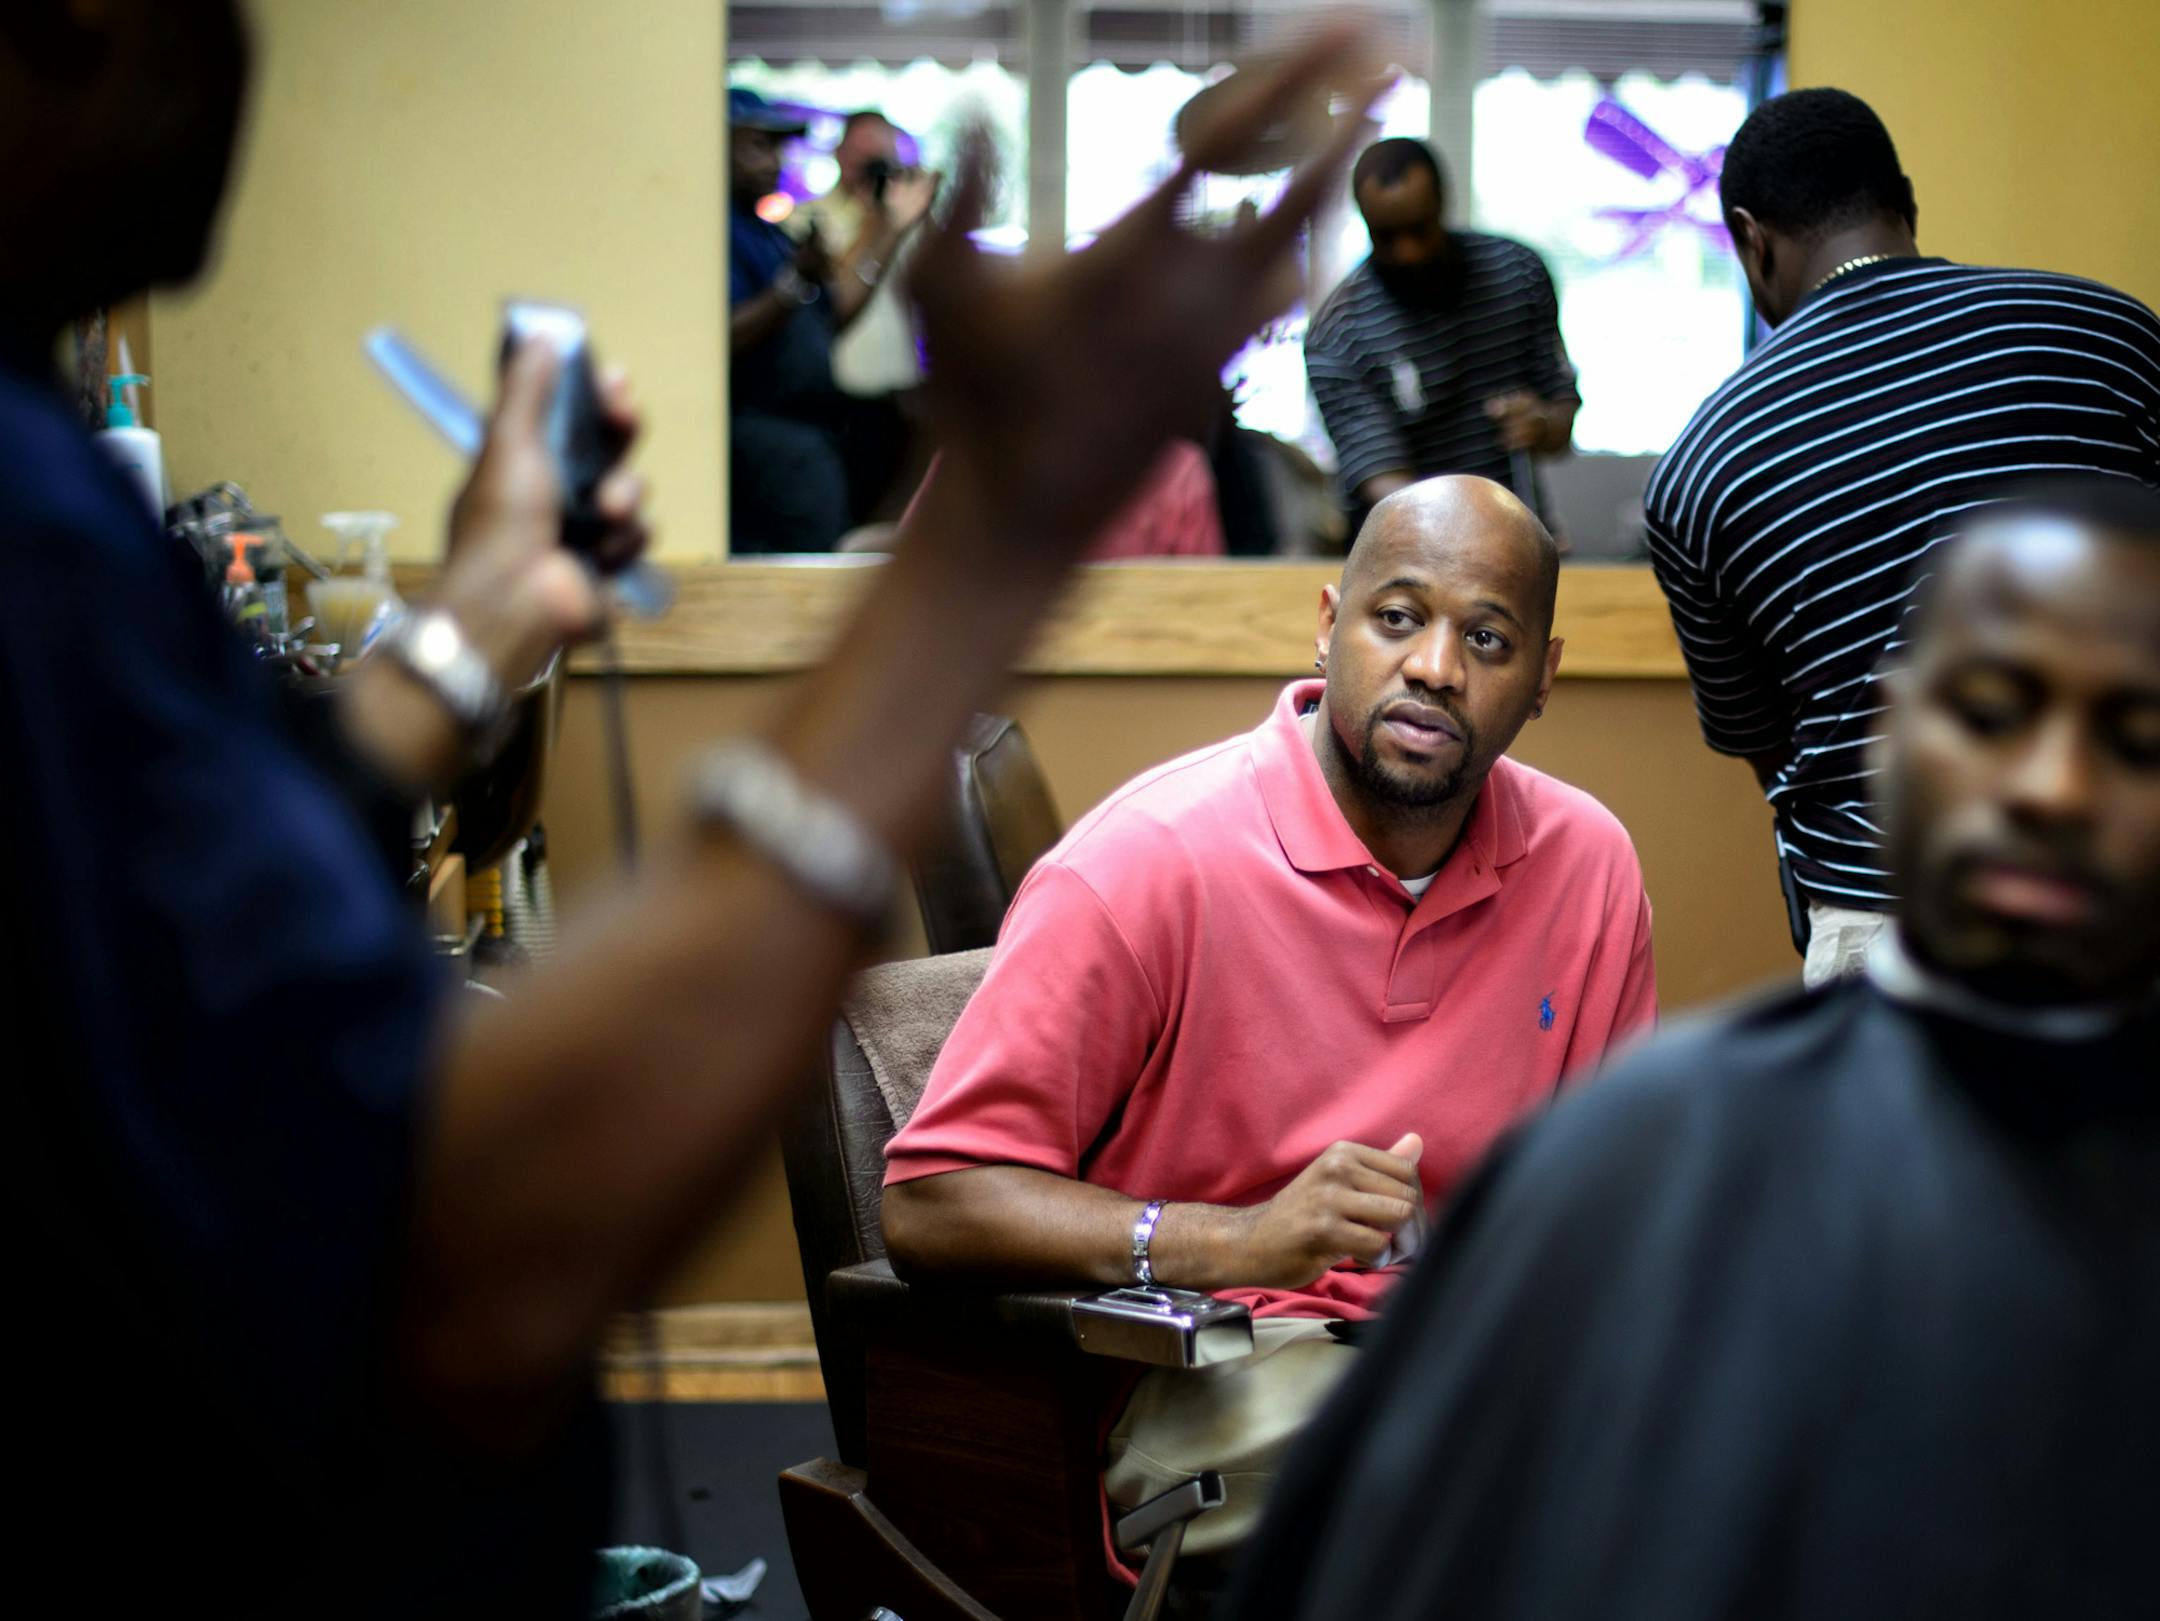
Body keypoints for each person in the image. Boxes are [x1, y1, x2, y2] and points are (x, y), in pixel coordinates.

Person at [0, 3, 1387, 1612]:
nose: (211, 52)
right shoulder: (34, 536)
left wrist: (474, 628)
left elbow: (171, 887)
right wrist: (995, 531)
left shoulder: (47, 483)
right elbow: (456, 1247)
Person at [1229, 478, 2160, 1621]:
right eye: (1992, 710)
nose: (2055, 787)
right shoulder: (1654, 1149)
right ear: (1894, 734)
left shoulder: (1586, 874)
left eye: (2137, 739)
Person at [881, 475, 1657, 1559]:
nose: (1436, 667)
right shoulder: (1150, 860)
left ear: (1542, 679)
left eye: (1487, 638)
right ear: (1330, 625)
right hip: (1213, 1372)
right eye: (1398, 619)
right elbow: (930, 1204)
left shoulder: (1589, 867)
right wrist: (1234, 1238)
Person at [1642, 88, 2160, 984]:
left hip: (1890, 930)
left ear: (1750, 240)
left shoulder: (1702, 463)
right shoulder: (2111, 339)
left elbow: (1771, 743)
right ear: (1905, 202)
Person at [1305, 137, 1578, 526]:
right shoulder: (1338, 332)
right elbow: (1386, 485)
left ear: (1442, 203)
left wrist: (1541, 424)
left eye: (1420, 229)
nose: (1408, 251)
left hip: (1516, 532)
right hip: (1405, 545)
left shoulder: (1518, 274)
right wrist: (1472, 545)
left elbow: (1561, 423)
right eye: (1386, 235)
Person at [728, 88, 936, 551]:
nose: (774, 162)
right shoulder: (750, 227)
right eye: (759, 146)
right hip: (775, 430)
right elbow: (725, 334)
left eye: (780, 148)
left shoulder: (767, 233)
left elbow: (835, 307)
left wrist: (898, 224)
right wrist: (795, 281)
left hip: (837, 422)